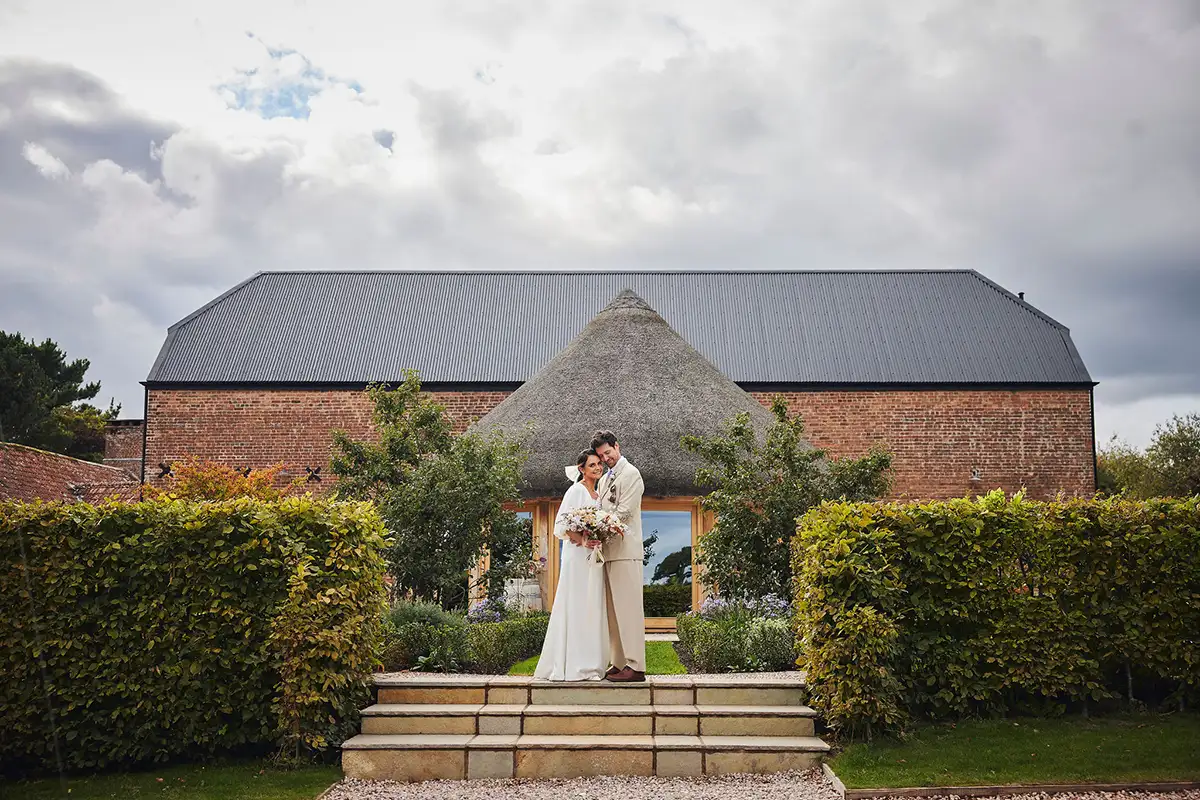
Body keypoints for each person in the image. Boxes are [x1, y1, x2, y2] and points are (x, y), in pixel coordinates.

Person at [533, 449, 611, 681]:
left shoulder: (598, 495)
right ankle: (574, 664)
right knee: (577, 604)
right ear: (581, 469)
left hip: (593, 557)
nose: (598, 468)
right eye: (592, 465)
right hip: (577, 556)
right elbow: (562, 526)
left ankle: (592, 664)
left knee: (592, 605)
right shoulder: (575, 491)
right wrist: (583, 539)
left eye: (599, 464)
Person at [591, 430, 647, 682]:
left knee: (629, 609)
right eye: (601, 456)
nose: (605, 459)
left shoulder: (632, 474)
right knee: (613, 612)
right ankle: (619, 662)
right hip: (608, 552)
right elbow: (602, 508)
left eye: (608, 453)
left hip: (626, 551)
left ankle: (636, 666)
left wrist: (596, 522)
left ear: (617, 446)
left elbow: (623, 512)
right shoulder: (603, 480)